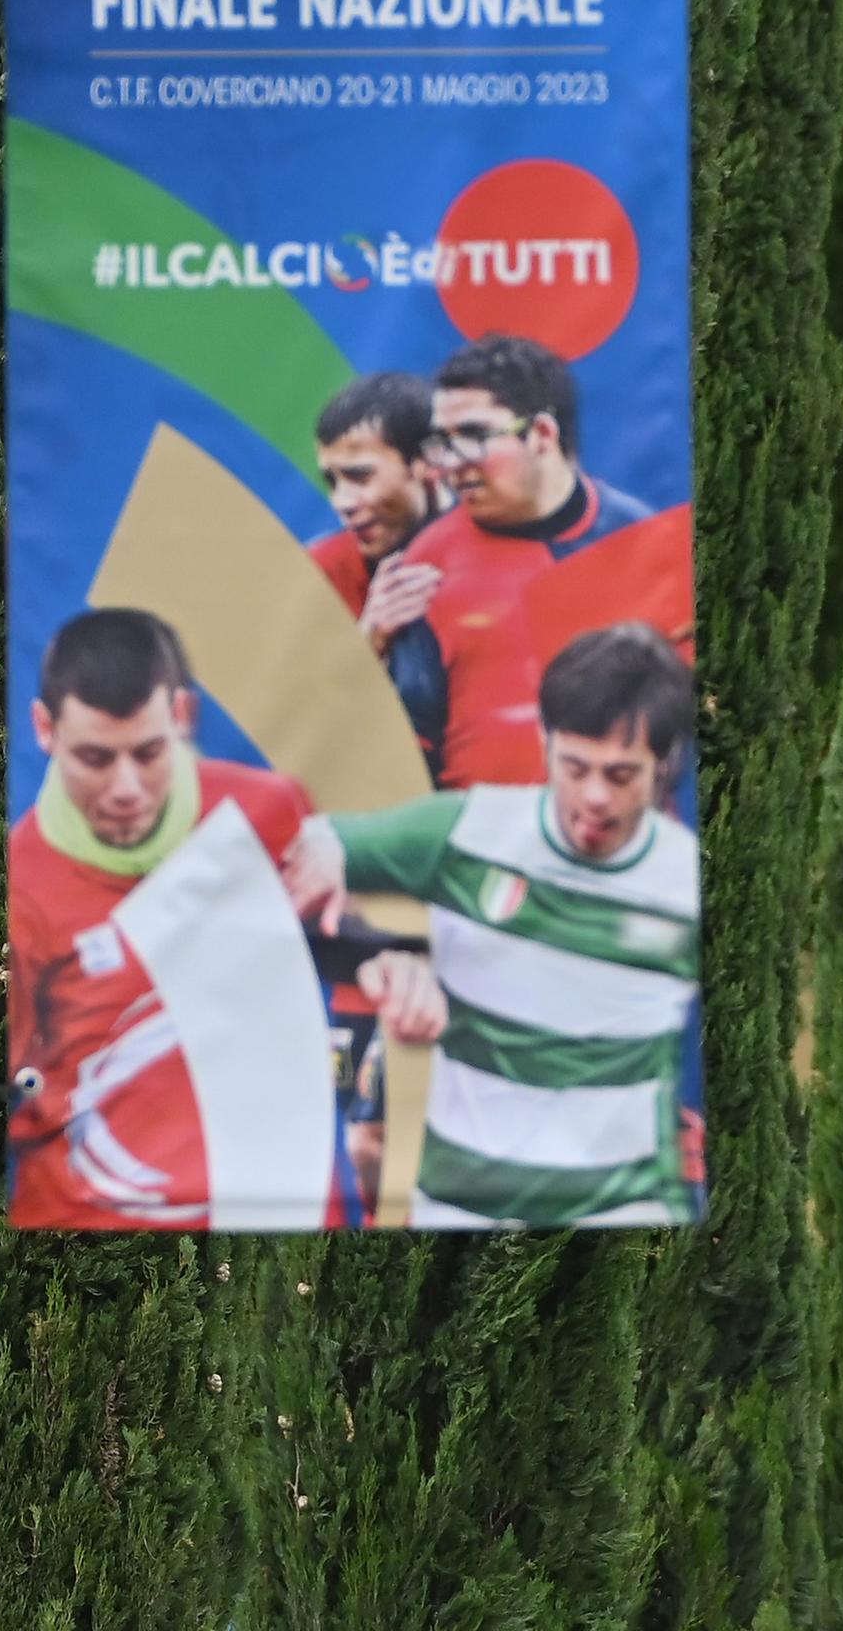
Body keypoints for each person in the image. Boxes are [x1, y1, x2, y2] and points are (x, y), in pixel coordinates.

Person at [285, 622, 703, 1227]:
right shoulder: (468, 830)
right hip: (456, 1218)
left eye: (619, 775)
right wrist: (351, 902)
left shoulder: (685, 881)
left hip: (617, 1224)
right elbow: (312, 849)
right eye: (574, 766)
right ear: (544, 741)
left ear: (663, 766)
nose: (593, 797)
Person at [4, 609, 397, 1226]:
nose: (126, 787)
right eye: (95, 759)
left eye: (149, 751)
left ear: (182, 718)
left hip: (287, 1233)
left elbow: (349, 948)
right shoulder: (18, 888)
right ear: (44, 730)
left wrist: (396, 961)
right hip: (100, 1245)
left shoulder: (267, 809)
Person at [385, 332, 664, 788]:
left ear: (542, 434)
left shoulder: (643, 543)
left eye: (473, 436)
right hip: (473, 844)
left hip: (612, 844)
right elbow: (409, 741)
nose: (451, 463)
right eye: (442, 441)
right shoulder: (428, 561)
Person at [304, 370, 446, 645]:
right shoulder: (323, 575)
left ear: (429, 462)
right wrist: (368, 644)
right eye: (332, 482)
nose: (341, 502)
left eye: (360, 477)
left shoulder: (498, 544)